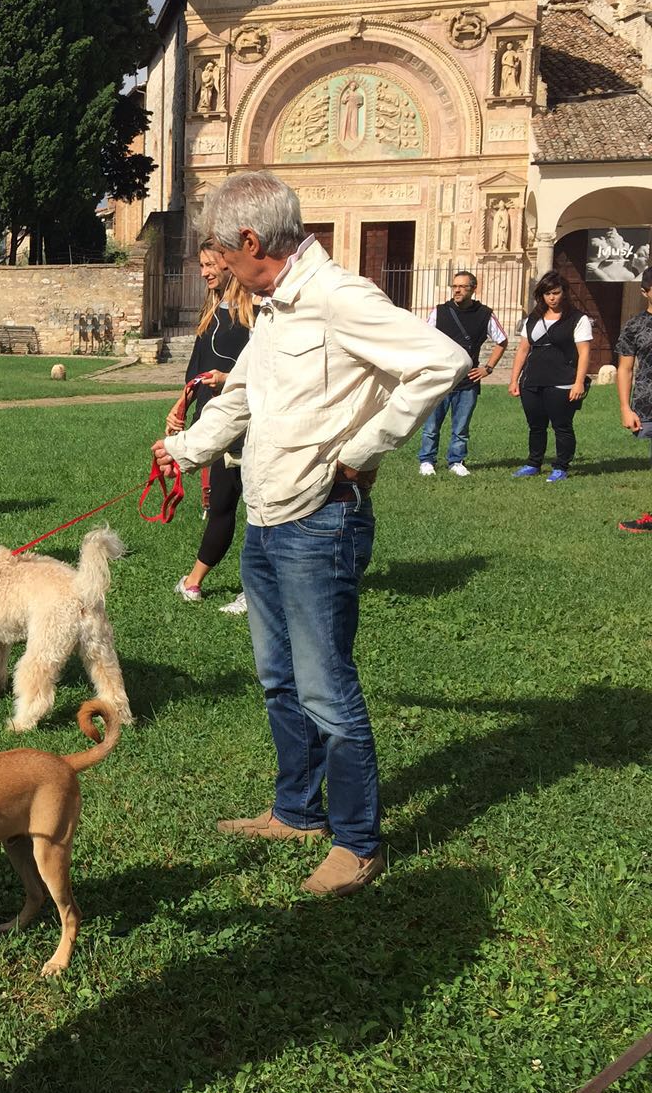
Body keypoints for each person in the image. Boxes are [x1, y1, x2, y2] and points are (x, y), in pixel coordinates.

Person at [153, 172, 467, 897]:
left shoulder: (337, 297)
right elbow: (241, 397)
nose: (219, 269)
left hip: (320, 524)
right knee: (278, 678)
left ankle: (358, 842)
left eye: (223, 255)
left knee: (326, 689)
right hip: (265, 520)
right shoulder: (273, 308)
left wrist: (364, 450)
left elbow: (441, 362)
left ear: (252, 243)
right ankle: (297, 811)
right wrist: (184, 449)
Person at [166, 246, 254, 612]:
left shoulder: (256, 312)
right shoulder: (211, 309)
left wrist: (229, 379)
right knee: (221, 502)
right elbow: (197, 364)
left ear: (228, 261)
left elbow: (267, 369)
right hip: (214, 421)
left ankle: (255, 592)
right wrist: (182, 404)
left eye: (209, 264)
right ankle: (194, 582)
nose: (203, 272)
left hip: (249, 422)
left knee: (260, 510)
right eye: (200, 265)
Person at [417, 271, 508, 477]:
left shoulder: (484, 314)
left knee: (461, 427)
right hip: (440, 379)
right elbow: (423, 337)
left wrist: (488, 368)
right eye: (454, 286)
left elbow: (501, 341)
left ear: (473, 289)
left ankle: (456, 461)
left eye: (462, 286)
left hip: (467, 380)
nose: (457, 290)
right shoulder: (440, 312)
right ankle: (427, 460)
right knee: (431, 426)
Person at [507, 271, 591, 483]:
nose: (552, 298)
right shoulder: (533, 318)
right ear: (541, 296)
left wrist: (579, 382)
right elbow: (523, 349)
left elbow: (584, 353)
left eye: (555, 292)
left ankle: (561, 466)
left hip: (563, 380)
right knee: (536, 425)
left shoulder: (577, 319)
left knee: (561, 425)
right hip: (532, 380)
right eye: (547, 294)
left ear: (564, 293)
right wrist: (514, 379)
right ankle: (533, 463)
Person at [616, 269, 652, 532]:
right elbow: (625, 369)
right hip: (648, 402)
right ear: (645, 292)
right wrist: (625, 407)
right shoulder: (635, 325)